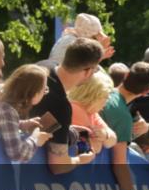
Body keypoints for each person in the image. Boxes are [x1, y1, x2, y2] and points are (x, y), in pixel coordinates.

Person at [28, 38, 103, 174]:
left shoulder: (43, 66)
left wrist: (64, 129)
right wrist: (81, 160)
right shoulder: (60, 107)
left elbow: (34, 112)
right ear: (88, 72)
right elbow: (58, 166)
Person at [101, 62, 149, 190]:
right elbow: (120, 165)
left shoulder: (102, 90)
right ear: (147, 92)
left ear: (126, 76)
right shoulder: (123, 117)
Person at [0, 64, 53, 162]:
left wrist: (21, 124)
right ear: (34, 93)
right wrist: (35, 139)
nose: (45, 93)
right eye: (44, 90)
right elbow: (17, 154)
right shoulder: (6, 110)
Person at [67, 73, 118, 151]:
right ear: (95, 95)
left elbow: (113, 139)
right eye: (106, 97)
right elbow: (95, 148)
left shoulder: (92, 113)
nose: (107, 102)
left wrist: (105, 135)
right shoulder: (76, 109)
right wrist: (103, 139)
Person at [49, 13, 114, 64]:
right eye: (93, 37)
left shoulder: (71, 38)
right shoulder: (74, 43)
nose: (94, 40)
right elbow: (84, 68)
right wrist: (100, 52)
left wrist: (101, 55)